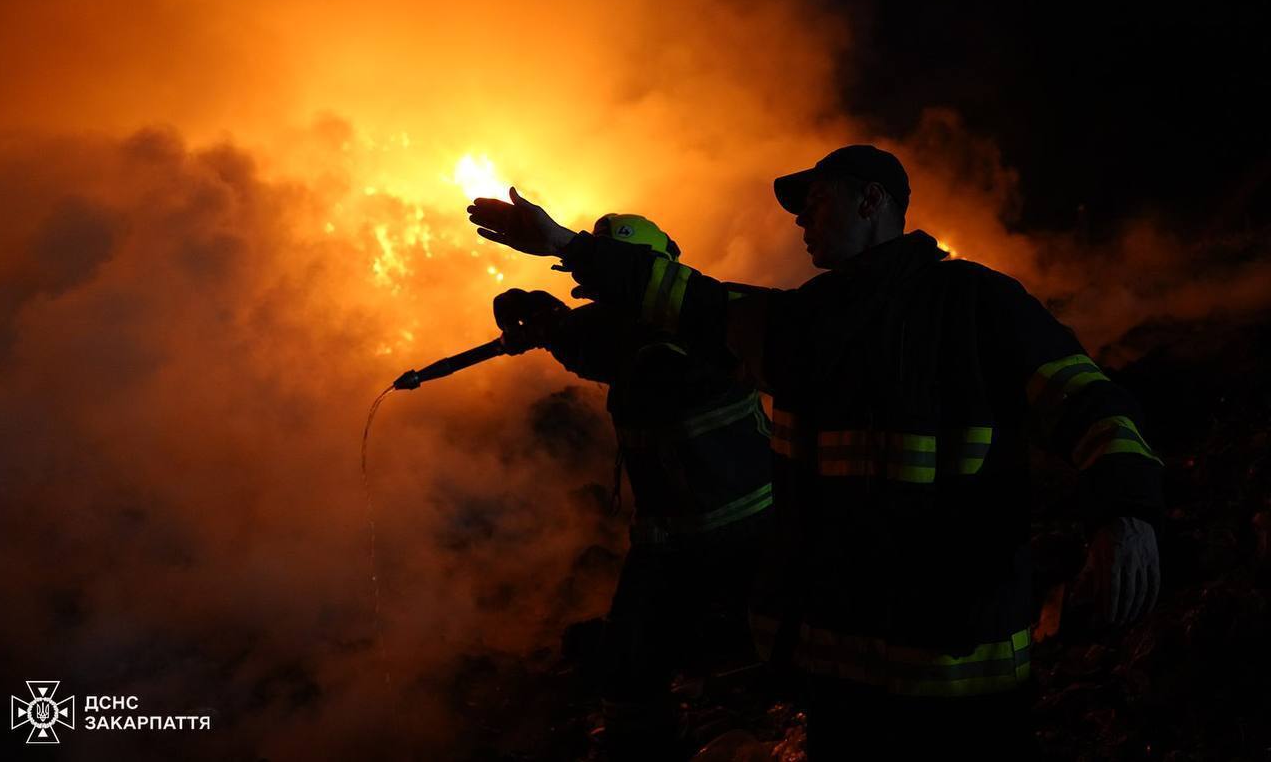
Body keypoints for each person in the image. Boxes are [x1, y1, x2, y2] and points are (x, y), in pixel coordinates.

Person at [469, 146, 1164, 759]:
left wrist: (1125, 513)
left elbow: (1093, 404)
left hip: (959, 681)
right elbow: (692, 304)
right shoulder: (807, 321)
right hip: (841, 686)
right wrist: (564, 243)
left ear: (872, 202)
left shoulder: (977, 304)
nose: (800, 218)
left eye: (816, 201)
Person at [491, 213, 774, 761]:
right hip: (668, 542)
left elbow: (645, 363)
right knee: (628, 674)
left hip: (749, 538)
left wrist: (557, 326)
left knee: (750, 660)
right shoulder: (619, 333)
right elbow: (598, 344)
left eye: (609, 277)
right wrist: (547, 320)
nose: (594, 293)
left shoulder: (704, 329)